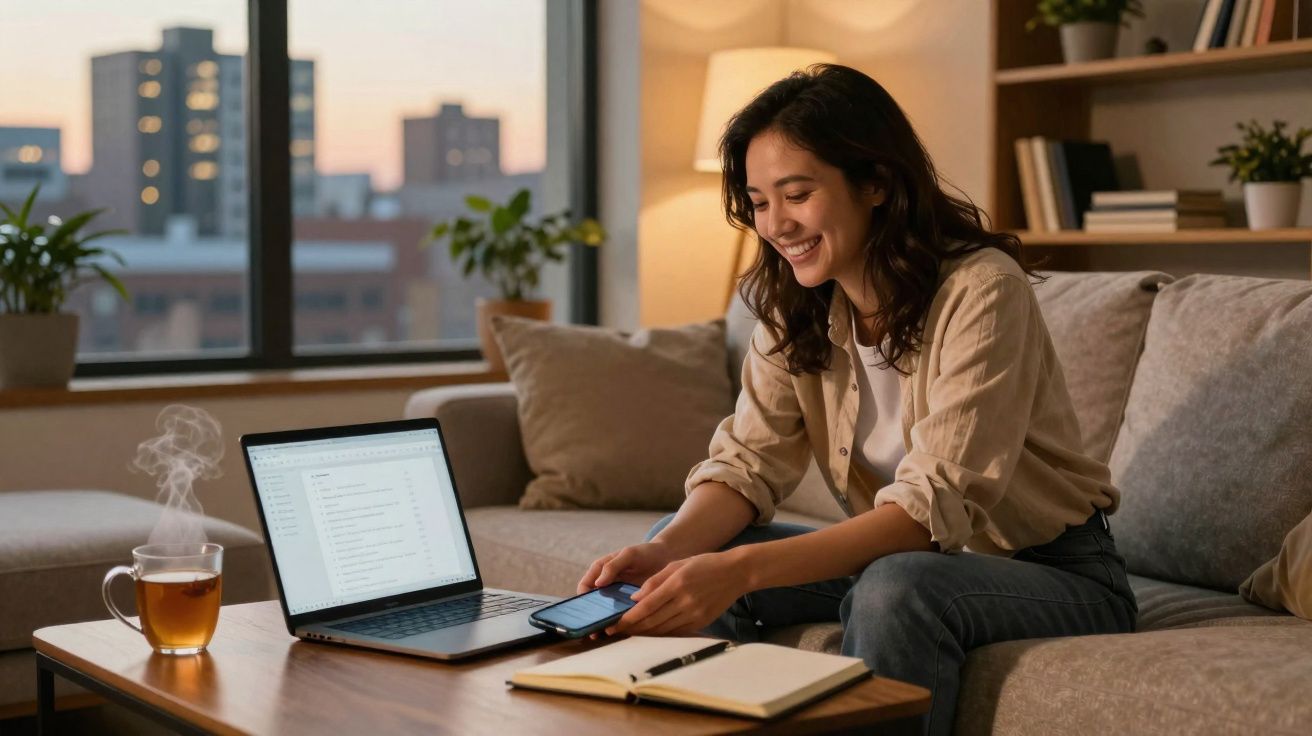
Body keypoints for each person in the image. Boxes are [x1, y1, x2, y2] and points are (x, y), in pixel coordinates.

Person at [576, 64, 1136, 735]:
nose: (776, 224)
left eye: (797, 194)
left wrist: (739, 569)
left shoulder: (983, 291)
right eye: (758, 202)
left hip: (1055, 572)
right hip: (909, 564)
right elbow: (747, 465)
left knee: (894, 588)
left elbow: (928, 509)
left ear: (875, 182)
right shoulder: (792, 306)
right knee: (680, 567)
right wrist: (669, 551)